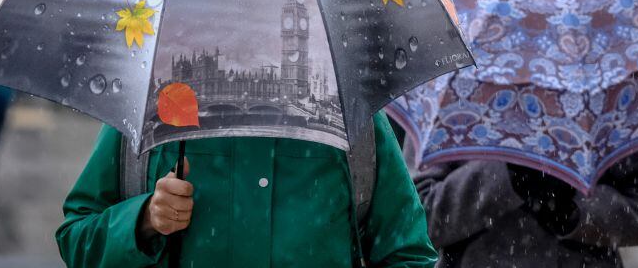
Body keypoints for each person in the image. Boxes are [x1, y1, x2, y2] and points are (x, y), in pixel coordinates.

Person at [56, 112, 437, 267]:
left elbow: (407, 252)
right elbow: (77, 237)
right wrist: (144, 220)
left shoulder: (350, 117)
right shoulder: (155, 110)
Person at [406, 139, 638, 267]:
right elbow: (417, 221)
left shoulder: (613, 85)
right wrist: (507, 174)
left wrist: (574, 212)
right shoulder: (454, 86)